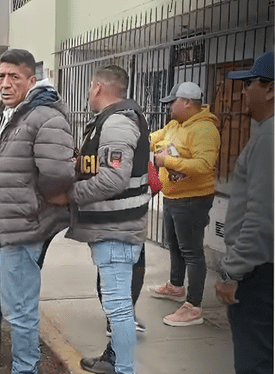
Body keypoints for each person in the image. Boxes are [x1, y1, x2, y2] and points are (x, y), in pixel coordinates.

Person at [0, 48, 75, 374]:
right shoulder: (15, 112)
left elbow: (59, 174)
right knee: (12, 305)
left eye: (13, 77)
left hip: (22, 228)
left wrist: (38, 204)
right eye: (1, 77)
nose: (5, 84)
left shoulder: (44, 116)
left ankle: (25, 369)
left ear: (32, 80)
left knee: (20, 309)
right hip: (1, 225)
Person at [59, 65, 150, 374]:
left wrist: (69, 193)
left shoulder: (117, 124)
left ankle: (124, 369)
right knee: (118, 305)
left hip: (117, 231)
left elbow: (114, 180)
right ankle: (117, 363)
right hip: (113, 228)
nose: (87, 93)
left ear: (98, 87)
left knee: (119, 309)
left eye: (89, 88)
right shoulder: (109, 122)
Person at [215, 50, 273, 374]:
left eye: (249, 83)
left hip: (259, 273)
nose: (242, 91)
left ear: (270, 89)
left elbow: (262, 218)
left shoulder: (268, 138)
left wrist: (230, 271)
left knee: (256, 361)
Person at [149, 81, 220, 327]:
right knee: (175, 247)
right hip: (173, 196)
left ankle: (194, 306)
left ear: (187, 102)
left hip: (192, 200)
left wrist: (169, 160)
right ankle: (176, 286)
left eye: (173, 102)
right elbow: (153, 140)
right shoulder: (175, 124)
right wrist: (161, 149)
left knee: (192, 252)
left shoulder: (204, 129)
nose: (169, 107)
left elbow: (203, 165)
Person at [82, 160, 162, 374]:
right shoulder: (138, 150)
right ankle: (121, 323)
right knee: (131, 278)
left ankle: (116, 348)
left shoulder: (111, 149)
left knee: (114, 294)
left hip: (114, 228)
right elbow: (155, 184)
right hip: (134, 225)